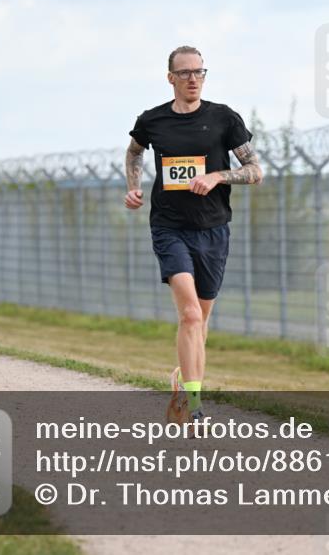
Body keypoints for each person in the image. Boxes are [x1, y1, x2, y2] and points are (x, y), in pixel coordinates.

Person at [124, 45, 262, 432]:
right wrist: (133, 188)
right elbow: (133, 153)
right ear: (170, 78)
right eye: (184, 73)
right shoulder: (153, 121)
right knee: (188, 314)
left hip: (214, 229)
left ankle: (183, 378)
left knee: (200, 322)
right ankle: (193, 404)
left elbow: (255, 169)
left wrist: (217, 175)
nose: (192, 79)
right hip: (169, 227)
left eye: (199, 72)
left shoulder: (223, 118)